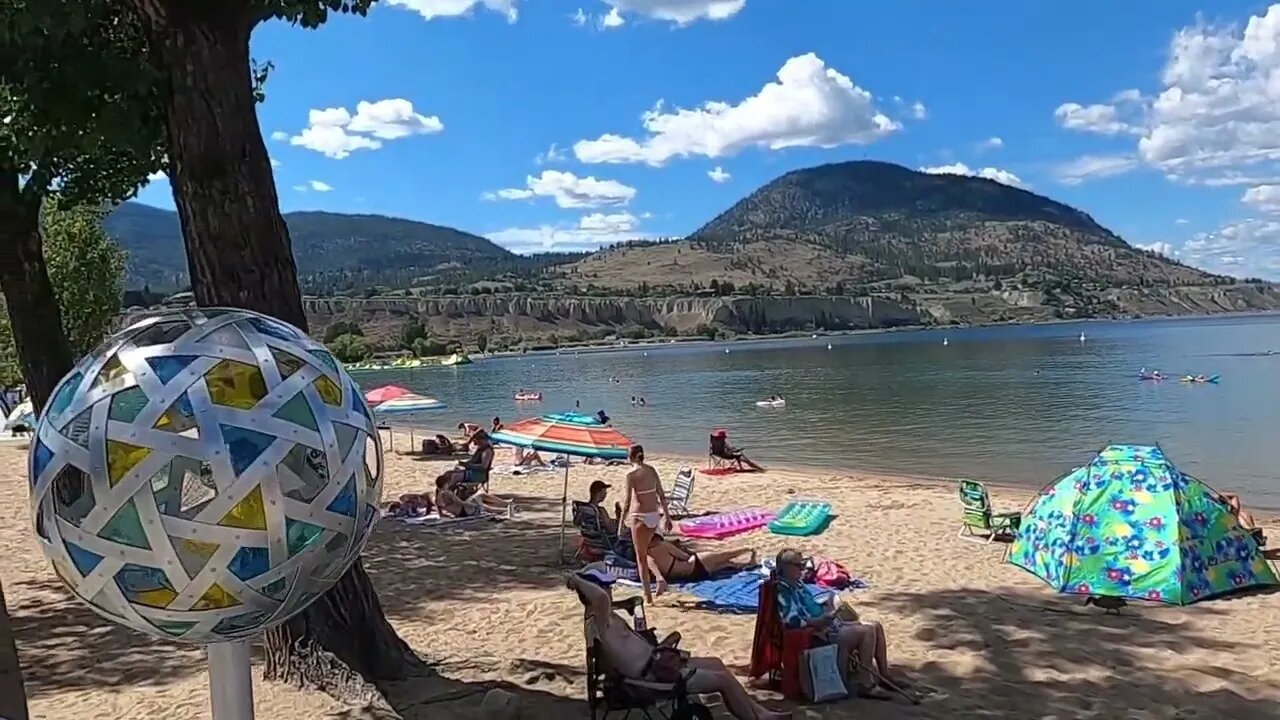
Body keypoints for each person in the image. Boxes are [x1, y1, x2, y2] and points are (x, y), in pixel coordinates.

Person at [566, 568, 794, 720]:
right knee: (722, 680)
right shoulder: (601, 617)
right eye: (606, 586)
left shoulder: (603, 618)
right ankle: (756, 718)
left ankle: (759, 711)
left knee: (717, 663)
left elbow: (603, 599)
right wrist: (577, 581)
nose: (610, 589)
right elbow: (601, 598)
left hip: (655, 666)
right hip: (650, 679)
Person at [774, 549, 905, 698]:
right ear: (787, 567)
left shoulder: (797, 584)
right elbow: (791, 620)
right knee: (867, 631)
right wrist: (817, 622)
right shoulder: (782, 591)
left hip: (826, 625)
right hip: (816, 634)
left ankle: (884, 675)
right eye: (799, 565)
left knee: (876, 626)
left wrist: (828, 607)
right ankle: (866, 683)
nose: (803, 569)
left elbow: (810, 606)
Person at [620, 445, 673, 601]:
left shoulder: (631, 475)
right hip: (653, 516)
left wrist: (621, 520)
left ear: (633, 457)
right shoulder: (652, 470)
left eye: (628, 455)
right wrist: (667, 516)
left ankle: (647, 596)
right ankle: (659, 578)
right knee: (648, 550)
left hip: (639, 516)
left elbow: (628, 501)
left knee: (641, 558)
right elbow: (661, 494)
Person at [645, 539, 756, 584]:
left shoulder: (647, 558)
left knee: (726, 564)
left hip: (695, 576)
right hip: (696, 564)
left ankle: (745, 564)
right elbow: (684, 556)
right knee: (726, 555)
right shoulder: (664, 546)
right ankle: (749, 550)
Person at [434, 475, 512, 518]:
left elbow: (440, 512)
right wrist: (474, 505)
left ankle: (504, 508)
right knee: (480, 497)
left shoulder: (437, 495)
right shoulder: (447, 493)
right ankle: (504, 504)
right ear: (445, 484)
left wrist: (448, 515)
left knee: (481, 503)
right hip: (465, 510)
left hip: (460, 513)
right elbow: (460, 503)